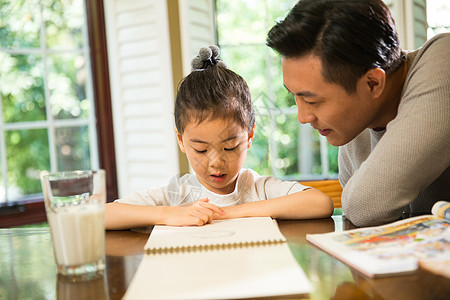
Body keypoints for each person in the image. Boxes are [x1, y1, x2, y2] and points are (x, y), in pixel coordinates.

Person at [105, 45, 334, 230]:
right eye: (201, 150)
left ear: (250, 135)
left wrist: (232, 212)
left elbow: (320, 203)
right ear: (181, 140)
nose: (216, 162)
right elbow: (101, 216)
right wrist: (169, 214)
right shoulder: (178, 194)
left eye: (230, 146)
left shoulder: (256, 188)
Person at [266, 0, 450, 227]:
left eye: (312, 100)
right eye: (295, 96)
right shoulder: (358, 124)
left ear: (373, 83)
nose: (303, 117)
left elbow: (364, 207)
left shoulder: (444, 61)